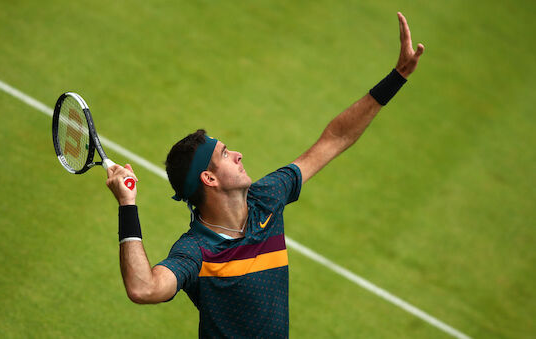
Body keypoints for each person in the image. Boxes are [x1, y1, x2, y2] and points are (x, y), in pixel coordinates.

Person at [106, 12, 424, 338]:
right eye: (225, 155)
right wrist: (127, 204)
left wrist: (397, 77)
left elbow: (334, 139)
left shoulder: (267, 198)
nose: (238, 154)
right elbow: (143, 289)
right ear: (209, 179)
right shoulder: (196, 252)